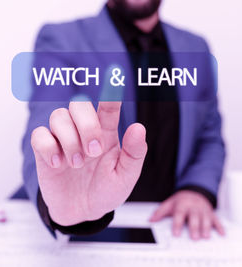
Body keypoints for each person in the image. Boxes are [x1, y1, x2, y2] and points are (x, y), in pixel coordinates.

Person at [21, 0, 226, 240]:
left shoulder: (196, 48)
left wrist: (197, 189)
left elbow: (209, 135)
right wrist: (56, 204)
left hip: (171, 229)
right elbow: (45, 126)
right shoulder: (62, 39)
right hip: (92, 233)